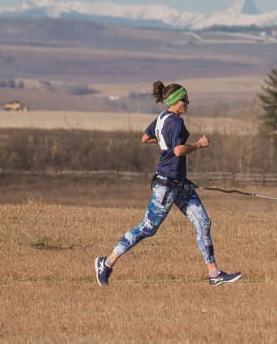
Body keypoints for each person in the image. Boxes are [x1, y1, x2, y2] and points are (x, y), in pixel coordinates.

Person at [95, 81, 241, 286]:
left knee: (203, 222)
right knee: (148, 228)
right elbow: (178, 151)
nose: (187, 102)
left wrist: (165, 142)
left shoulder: (162, 118)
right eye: (185, 99)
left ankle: (214, 274)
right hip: (166, 185)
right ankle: (106, 262)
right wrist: (199, 144)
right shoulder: (176, 123)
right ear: (175, 101)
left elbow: (146, 138)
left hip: (179, 183)